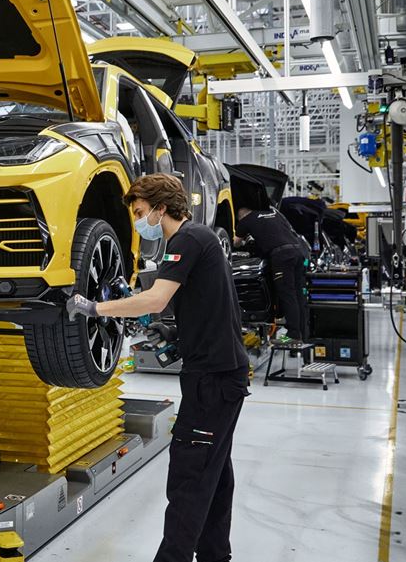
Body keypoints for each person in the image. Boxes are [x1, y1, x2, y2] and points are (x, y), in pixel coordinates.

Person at [68, 174, 249, 562]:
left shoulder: (187, 239)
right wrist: (170, 328)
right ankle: (215, 555)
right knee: (215, 475)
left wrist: (95, 308)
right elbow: (196, 304)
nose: (138, 220)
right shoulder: (197, 240)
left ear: (160, 208)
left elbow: (154, 299)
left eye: (139, 212)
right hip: (221, 375)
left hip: (212, 381)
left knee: (189, 475)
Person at [234, 206, 309, 342]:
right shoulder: (272, 213)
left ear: (240, 217)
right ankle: (301, 334)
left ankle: (293, 335)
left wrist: (245, 240)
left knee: (287, 295)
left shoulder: (246, 221)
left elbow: (235, 242)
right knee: (299, 295)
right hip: (298, 252)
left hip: (282, 256)